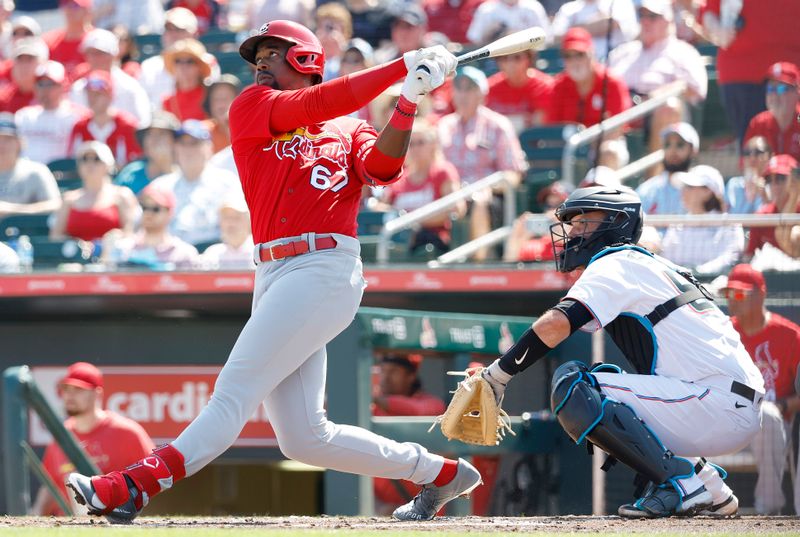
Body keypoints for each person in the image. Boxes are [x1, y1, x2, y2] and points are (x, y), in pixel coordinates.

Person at [67, 19, 480, 524]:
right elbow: (316, 105)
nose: (259, 66)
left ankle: (131, 485)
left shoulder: (349, 127)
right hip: (272, 271)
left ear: (305, 60)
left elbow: (383, 169)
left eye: (271, 55)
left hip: (325, 265)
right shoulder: (252, 106)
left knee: (232, 394)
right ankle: (440, 474)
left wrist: (408, 101)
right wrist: (400, 67)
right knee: (306, 437)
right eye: (256, 57)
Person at [476, 185, 764, 518]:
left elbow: (556, 324)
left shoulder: (617, 261)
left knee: (575, 386)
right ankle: (708, 484)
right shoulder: (646, 264)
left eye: (584, 223)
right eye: (573, 224)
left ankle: (681, 483)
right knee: (607, 382)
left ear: (616, 222)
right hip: (725, 401)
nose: (573, 233)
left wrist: (497, 375)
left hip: (715, 402)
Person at [722, 264, 800, 515]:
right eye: (729, 294)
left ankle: (768, 513)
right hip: (731, 423)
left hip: (779, 426)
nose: (733, 301)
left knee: (767, 415)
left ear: (761, 294)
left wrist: (785, 406)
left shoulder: (790, 335)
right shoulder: (724, 333)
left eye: (741, 294)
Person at [29, 362, 154, 517]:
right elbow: (50, 486)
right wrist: (34, 517)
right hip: (67, 527)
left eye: (79, 390)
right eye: (66, 389)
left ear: (97, 393)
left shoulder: (127, 432)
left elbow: (153, 479)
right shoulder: (61, 435)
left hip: (116, 527)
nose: (70, 395)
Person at [437, 66, 527, 260]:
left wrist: (487, 187)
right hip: (449, 194)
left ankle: (479, 266)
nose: (463, 94)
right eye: (458, 88)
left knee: (480, 201)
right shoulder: (443, 126)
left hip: (489, 196)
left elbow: (513, 175)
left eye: (469, 88)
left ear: (482, 93)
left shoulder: (498, 125)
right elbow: (435, 168)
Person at [609, 0, 707, 153]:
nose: (646, 21)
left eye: (653, 16)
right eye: (642, 15)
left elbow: (697, 91)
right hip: (624, 112)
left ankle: (656, 174)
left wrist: (657, 97)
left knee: (669, 107)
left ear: (668, 20)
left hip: (657, 112)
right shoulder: (623, 52)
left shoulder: (683, 51)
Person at [700, 0, 800, 147]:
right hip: (742, 73)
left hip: (792, 75)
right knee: (753, 148)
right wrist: (718, 30)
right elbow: (708, 13)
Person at [372, 353, 447, 515]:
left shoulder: (430, 403)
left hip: (426, 506)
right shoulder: (373, 407)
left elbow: (417, 410)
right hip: (381, 505)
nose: (385, 377)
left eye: (393, 371)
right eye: (382, 371)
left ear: (411, 376)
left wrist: (370, 396)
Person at [149, 119, 240, 246]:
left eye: (194, 143)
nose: (188, 149)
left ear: (209, 147)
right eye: (182, 143)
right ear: (175, 148)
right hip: (170, 256)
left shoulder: (227, 182)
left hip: (214, 255)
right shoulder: (160, 186)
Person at [382, 119, 464, 254]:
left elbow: (456, 209)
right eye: (411, 144)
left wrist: (413, 221)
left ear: (433, 145)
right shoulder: (400, 177)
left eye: (420, 143)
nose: (415, 149)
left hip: (433, 240)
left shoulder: (443, 172)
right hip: (400, 241)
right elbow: (383, 207)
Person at [659, 165, 744, 275]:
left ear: (708, 191)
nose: (683, 191)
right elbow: (666, 259)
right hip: (680, 287)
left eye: (689, 186)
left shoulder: (730, 225)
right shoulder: (677, 226)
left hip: (714, 287)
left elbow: (728, 258)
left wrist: (698, 272)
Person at [50, 141, 138, 242]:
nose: (90, 164)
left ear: (108, 165)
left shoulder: (122, 195)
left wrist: (112, 241)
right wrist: (77, 247)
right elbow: (55, 236)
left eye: (96, 159)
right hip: (76, 257)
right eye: (84, 159)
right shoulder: (68, 199)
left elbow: (131, 233)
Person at [546, 27, 631, 129]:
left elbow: (619, 128)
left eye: (580, 55)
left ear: (592, 54)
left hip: (604, 141)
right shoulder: (558, 86)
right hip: (568, 143)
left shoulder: (611, 83)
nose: (574, 61)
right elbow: (553, 128)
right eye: (568, 56)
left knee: (611, 146)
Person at [103, 183, 199, 270]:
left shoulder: (184, 253)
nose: (148, 213)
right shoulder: (122, 249)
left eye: (155, 209)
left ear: (170, 213)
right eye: (145, 207)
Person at [69, 29, 151, 128]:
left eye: (101, 53)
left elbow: (143, 123)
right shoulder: (78, 88)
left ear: (113, 55)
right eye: (91, 53)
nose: (95, 58)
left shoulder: (130, 87)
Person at [15, 60, 86, 165]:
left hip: (61, 176)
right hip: (26, 176)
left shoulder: (75, 117)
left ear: (63, 86)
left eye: (50, 84)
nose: (45, 89)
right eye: (40, 84)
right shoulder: (23, 116)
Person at [68, 70, 142, 166]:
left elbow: (135, 162)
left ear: (110, 95)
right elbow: (73, 161)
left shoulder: (128, 125)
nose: (92, 99)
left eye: (98, 94)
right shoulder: (80, 127)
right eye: (89, 94)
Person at [0, 112, 61, 218]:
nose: (2, 145)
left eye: (8, 140)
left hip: (25, 233)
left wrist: (12, 210)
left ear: (19, 143)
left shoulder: (36, 171)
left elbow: (55, 205)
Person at [139, 8, 199, 107]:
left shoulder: (206, 62)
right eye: (168, 29)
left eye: (179, 30)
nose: (173, 34)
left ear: (194, 34)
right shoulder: (149, 66)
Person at [636, 122, 699, 216]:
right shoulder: (647, 190)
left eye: (680, 144)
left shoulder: (703, 190)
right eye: (667, 144)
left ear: (693, 150)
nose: (672, 150)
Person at [745, 154, 800, 259]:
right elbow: (749, 256)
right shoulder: (762, 217)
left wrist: (794, 196)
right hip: (767, 275)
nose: (774, 185)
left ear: (795, 180)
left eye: (780, 178)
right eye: (769, 179)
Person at [743, 62, 800, 162]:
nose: (774, 95)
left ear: (797, 92)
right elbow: (747, 165)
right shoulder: (758, 123)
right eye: (770, 89)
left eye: (781, 89)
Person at [114, 111, 181, 195]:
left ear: (174, 141)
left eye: (162, 133)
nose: (155, 139)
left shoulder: (184, 175)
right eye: (149, 134)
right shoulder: (132, 173)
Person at [486, 49, 553, 132]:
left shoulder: (544, 86)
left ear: (528, 58)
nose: (511, 63)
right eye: (504, 58)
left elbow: (539, 127)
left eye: (517, 57)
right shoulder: (488, 88)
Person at [551, 0, 639, 59]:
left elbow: (610, 24)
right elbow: (556, 37)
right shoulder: (568, 9)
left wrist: (573, 29)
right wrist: (598, 23)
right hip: (579, 66)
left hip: (614, 65)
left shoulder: (619, 2)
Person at [161, 38, 215, 122]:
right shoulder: (167, 102)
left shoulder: (212, 97)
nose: (183, 66)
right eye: (178, 61)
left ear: (200, 67)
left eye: (190, 61)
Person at [198, 193, 254, 270]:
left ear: (249, 221)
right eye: (226, 218)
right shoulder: (212, 254)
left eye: (236, 218)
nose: (230, 224)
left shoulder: (259, 252)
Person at [466, 0, 551, 46]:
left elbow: (547, 38)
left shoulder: (533, 7)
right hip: (495, 59)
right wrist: (488, 34)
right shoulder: (487, 9)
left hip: (527, 58)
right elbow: (474, 39)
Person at [44, 0, 94, 75]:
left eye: (75, 6)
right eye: (65, 4)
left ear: (87, 10)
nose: (69, 9)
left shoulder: (97, 41)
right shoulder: (49, 40)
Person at [0, 37, 49, 113]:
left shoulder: (52, 95)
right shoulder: (4, 99)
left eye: (30, 59)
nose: (24, 66)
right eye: (19, 59)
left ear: (42, 63)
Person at [726, 136, 770, 215]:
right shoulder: (733, 184)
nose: (752, 157)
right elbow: (724, 214)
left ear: (769, 156)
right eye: (747, 152)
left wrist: (764, 196)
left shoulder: (776, 183)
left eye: (757, 152)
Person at [202, 74, 241, 153]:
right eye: (216, 99)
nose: (221, 105)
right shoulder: (203, 130)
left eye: (226, 98)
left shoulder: (248, 128)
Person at [314, 2, 352, 82]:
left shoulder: (356, 53)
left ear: (344, 32)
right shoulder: (310, 56)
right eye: (323, 27)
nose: (328, 33)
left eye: (332, 28)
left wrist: (342, 50)